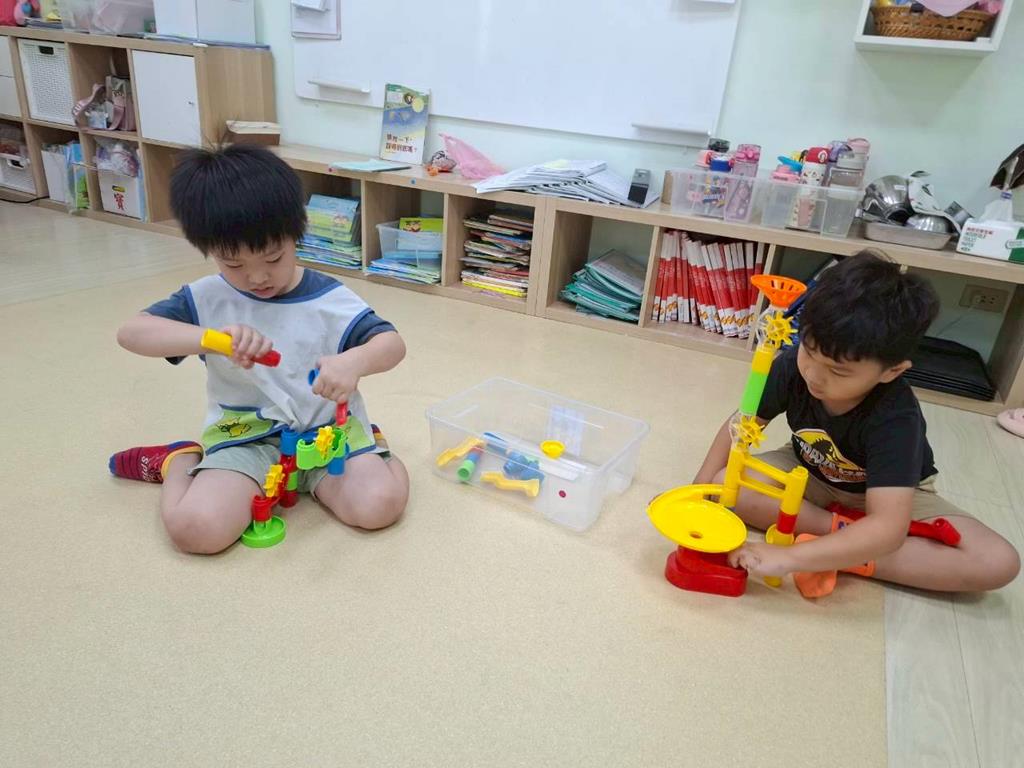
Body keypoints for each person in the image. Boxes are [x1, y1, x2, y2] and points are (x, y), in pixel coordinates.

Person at [109, 145, 409, 553]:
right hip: (246, 438)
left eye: (273, 258)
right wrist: (211, 339)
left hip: (328, 435)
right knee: (195, 530)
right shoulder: (207, 298)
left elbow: (391, 344)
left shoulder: (329, 298)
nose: (256, 277)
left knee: (380, 506)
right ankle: (179, 461)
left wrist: (355, 361)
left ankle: (374, 444)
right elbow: (131, 333)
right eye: (233, 264)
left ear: (296, 234)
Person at [693, 251, 1019, 595]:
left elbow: (889, 523)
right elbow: (740, 426)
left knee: (996, 561)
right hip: (808, 470)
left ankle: (840, 549)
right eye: (809, 351)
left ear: (891, 371)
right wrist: (698, 493)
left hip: (884, 493)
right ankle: (849, 544)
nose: (814, 375)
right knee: (724, 483)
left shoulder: (896, 417)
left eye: (838, 371)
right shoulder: (791, 366)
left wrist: (791, 557)